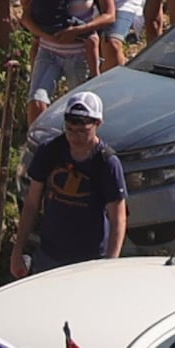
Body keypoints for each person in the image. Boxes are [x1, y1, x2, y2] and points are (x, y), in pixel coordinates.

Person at [22, 96, 126, 269]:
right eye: (70, 130)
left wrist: (110, 265)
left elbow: (118, 219)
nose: (75, 137)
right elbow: (32, 203)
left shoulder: (107, 162)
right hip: (50, 254)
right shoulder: (50, 150)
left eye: (82, 131)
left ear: (98, 124)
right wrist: (18, 250)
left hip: (91, 258)